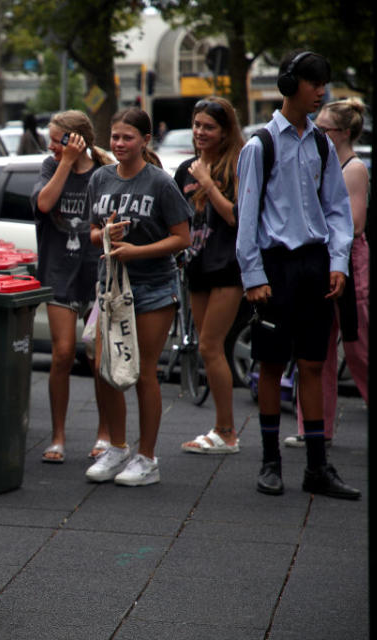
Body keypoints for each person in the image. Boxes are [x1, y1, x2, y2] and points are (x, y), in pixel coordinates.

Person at [235, 51, 360, 499]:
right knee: (269, 364)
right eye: (314, 84)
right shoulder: (259, 146)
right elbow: (247, 217)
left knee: (312, 363)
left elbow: (338, 211)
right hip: (275, 267)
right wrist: (253, 276)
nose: (321, 92)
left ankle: (316, 468)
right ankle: (271, 462)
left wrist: (337, 263)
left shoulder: (322, 145)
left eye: (323, 84)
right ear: (291, 85)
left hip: (315, 266)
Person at [84, 108, 192, 486]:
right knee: (105, 367)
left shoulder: (160, 182)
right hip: (110, 286)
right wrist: (108, 234)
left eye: (127, 137)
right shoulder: (99, 178)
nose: (118, 144)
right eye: (114, 137)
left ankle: (147, 458)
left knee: (144, 370)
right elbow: (94, 232)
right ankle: (117, 446)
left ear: (145, 141)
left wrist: (136, 250)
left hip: (153, 288)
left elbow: (182, 239)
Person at [287, 98, 369, 447]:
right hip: (320, 262)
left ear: (344, 132)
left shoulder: (353, 168)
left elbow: (353, 224)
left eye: (324, 128)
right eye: (315, 126)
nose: (316, 132)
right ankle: (314, 430)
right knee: (315, 349)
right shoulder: (317, 162)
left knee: (359, 348)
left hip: (349, 264)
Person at [32, 110, 112, 463]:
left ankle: (105, 433)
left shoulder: (104, 173)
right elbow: (45, 203)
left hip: (96, 276)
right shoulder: (51, 167)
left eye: (55, 138)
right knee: (62, 354)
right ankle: (58, 436)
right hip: (58, 273)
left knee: (98, 360)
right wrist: (64, 162)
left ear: (76, 139)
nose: (50, 145)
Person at [174, 96, 245, 455]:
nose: (200, 132)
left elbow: (236, 217)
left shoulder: (237, 165)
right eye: (197, 125)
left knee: (210, 347)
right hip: (196, 266)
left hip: (228, 268)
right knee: (207, 346)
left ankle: (227, 432)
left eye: (209, 127)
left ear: (225, 131)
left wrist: (208, 181)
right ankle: (221, 428)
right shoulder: (185, 168)